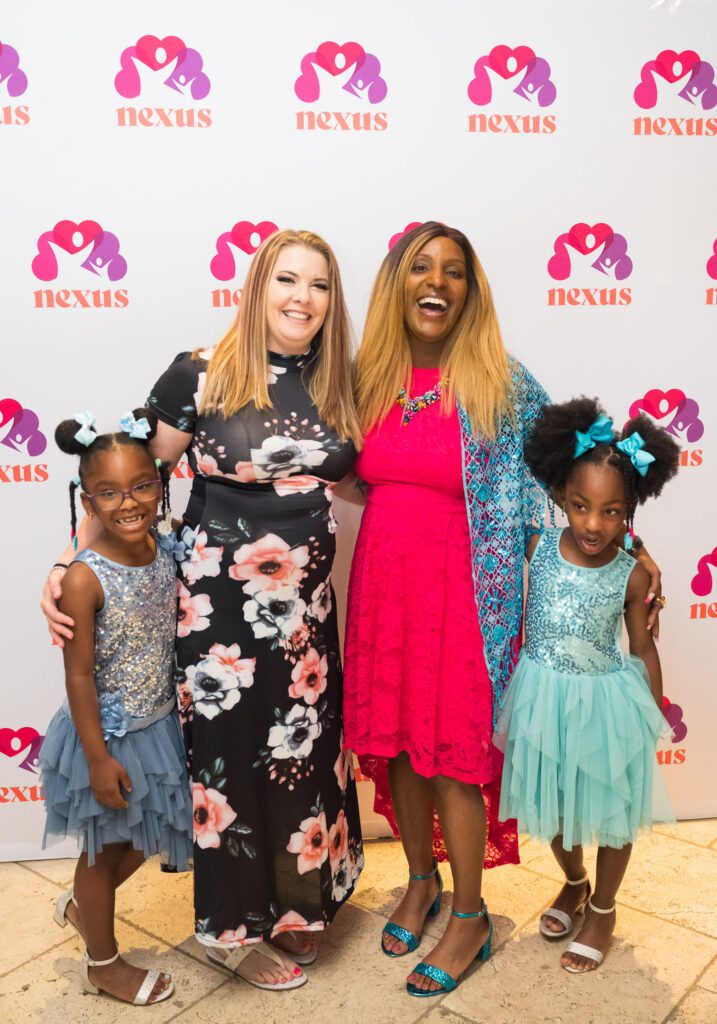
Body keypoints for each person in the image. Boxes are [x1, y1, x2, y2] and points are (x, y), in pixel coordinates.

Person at [341, 221, 664, 997]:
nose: (437, 282)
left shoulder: (499, 381)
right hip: (383, 587)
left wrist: (634, 549)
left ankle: (467, 915)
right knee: (398, 749)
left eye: (455, 271)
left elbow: (583, 464)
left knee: (451, 756)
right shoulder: (364, 377)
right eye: (421, 267)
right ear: (396, 282)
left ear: (469, 291)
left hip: (464, 596)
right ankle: (418, 880)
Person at [41, 230, 365, 991]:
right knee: (231, 767)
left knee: (301, 759)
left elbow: (360, 481)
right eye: (286, 280)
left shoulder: (344, 382)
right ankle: (234, 931)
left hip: (306, 617)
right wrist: (66, 562)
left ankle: (291, 907)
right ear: (256, 288)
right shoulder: (200, 373)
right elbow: (135, 482)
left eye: (318, 285)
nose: (302, 299)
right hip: (217, 616)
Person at [494, 398, 678, 973]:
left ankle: (603, 906)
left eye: (610, 512)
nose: (593, 524)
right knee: (553, 806)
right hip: (544, 699)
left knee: (613, 812)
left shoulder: (635, 574)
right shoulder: (537, 548)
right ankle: (573, 882)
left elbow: (644, 646)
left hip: (606, 705)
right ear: (559, 497)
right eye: (580, 506)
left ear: (630, 513)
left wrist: (651, 718)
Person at [40, 409, 193, 1006]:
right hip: (107, 734)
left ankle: (81, 908)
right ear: (86, 501)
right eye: (108, 492)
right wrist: (99, 758)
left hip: (160, 724)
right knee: (102, 852)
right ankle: (101, 962)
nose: (127, 503)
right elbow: (78, 674)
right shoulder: (84, 577)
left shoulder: (164, 546)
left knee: (149, 834)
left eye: (140, 486)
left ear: (160, 482)